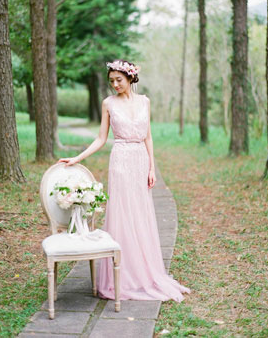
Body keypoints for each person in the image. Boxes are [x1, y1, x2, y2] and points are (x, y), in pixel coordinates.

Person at [58, 59, 190, 301]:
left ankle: (144, 273)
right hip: (120, 161)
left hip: (140, 160)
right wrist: (77, 157)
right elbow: (100, 139)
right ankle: (121, 275)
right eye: (111, 81)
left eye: (119, 80)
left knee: (140, 215)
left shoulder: (144, 101)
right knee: (122, 215)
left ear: (130, 78)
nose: (115, 84)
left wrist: (152, 168)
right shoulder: (108, 103)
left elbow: (148, 137)